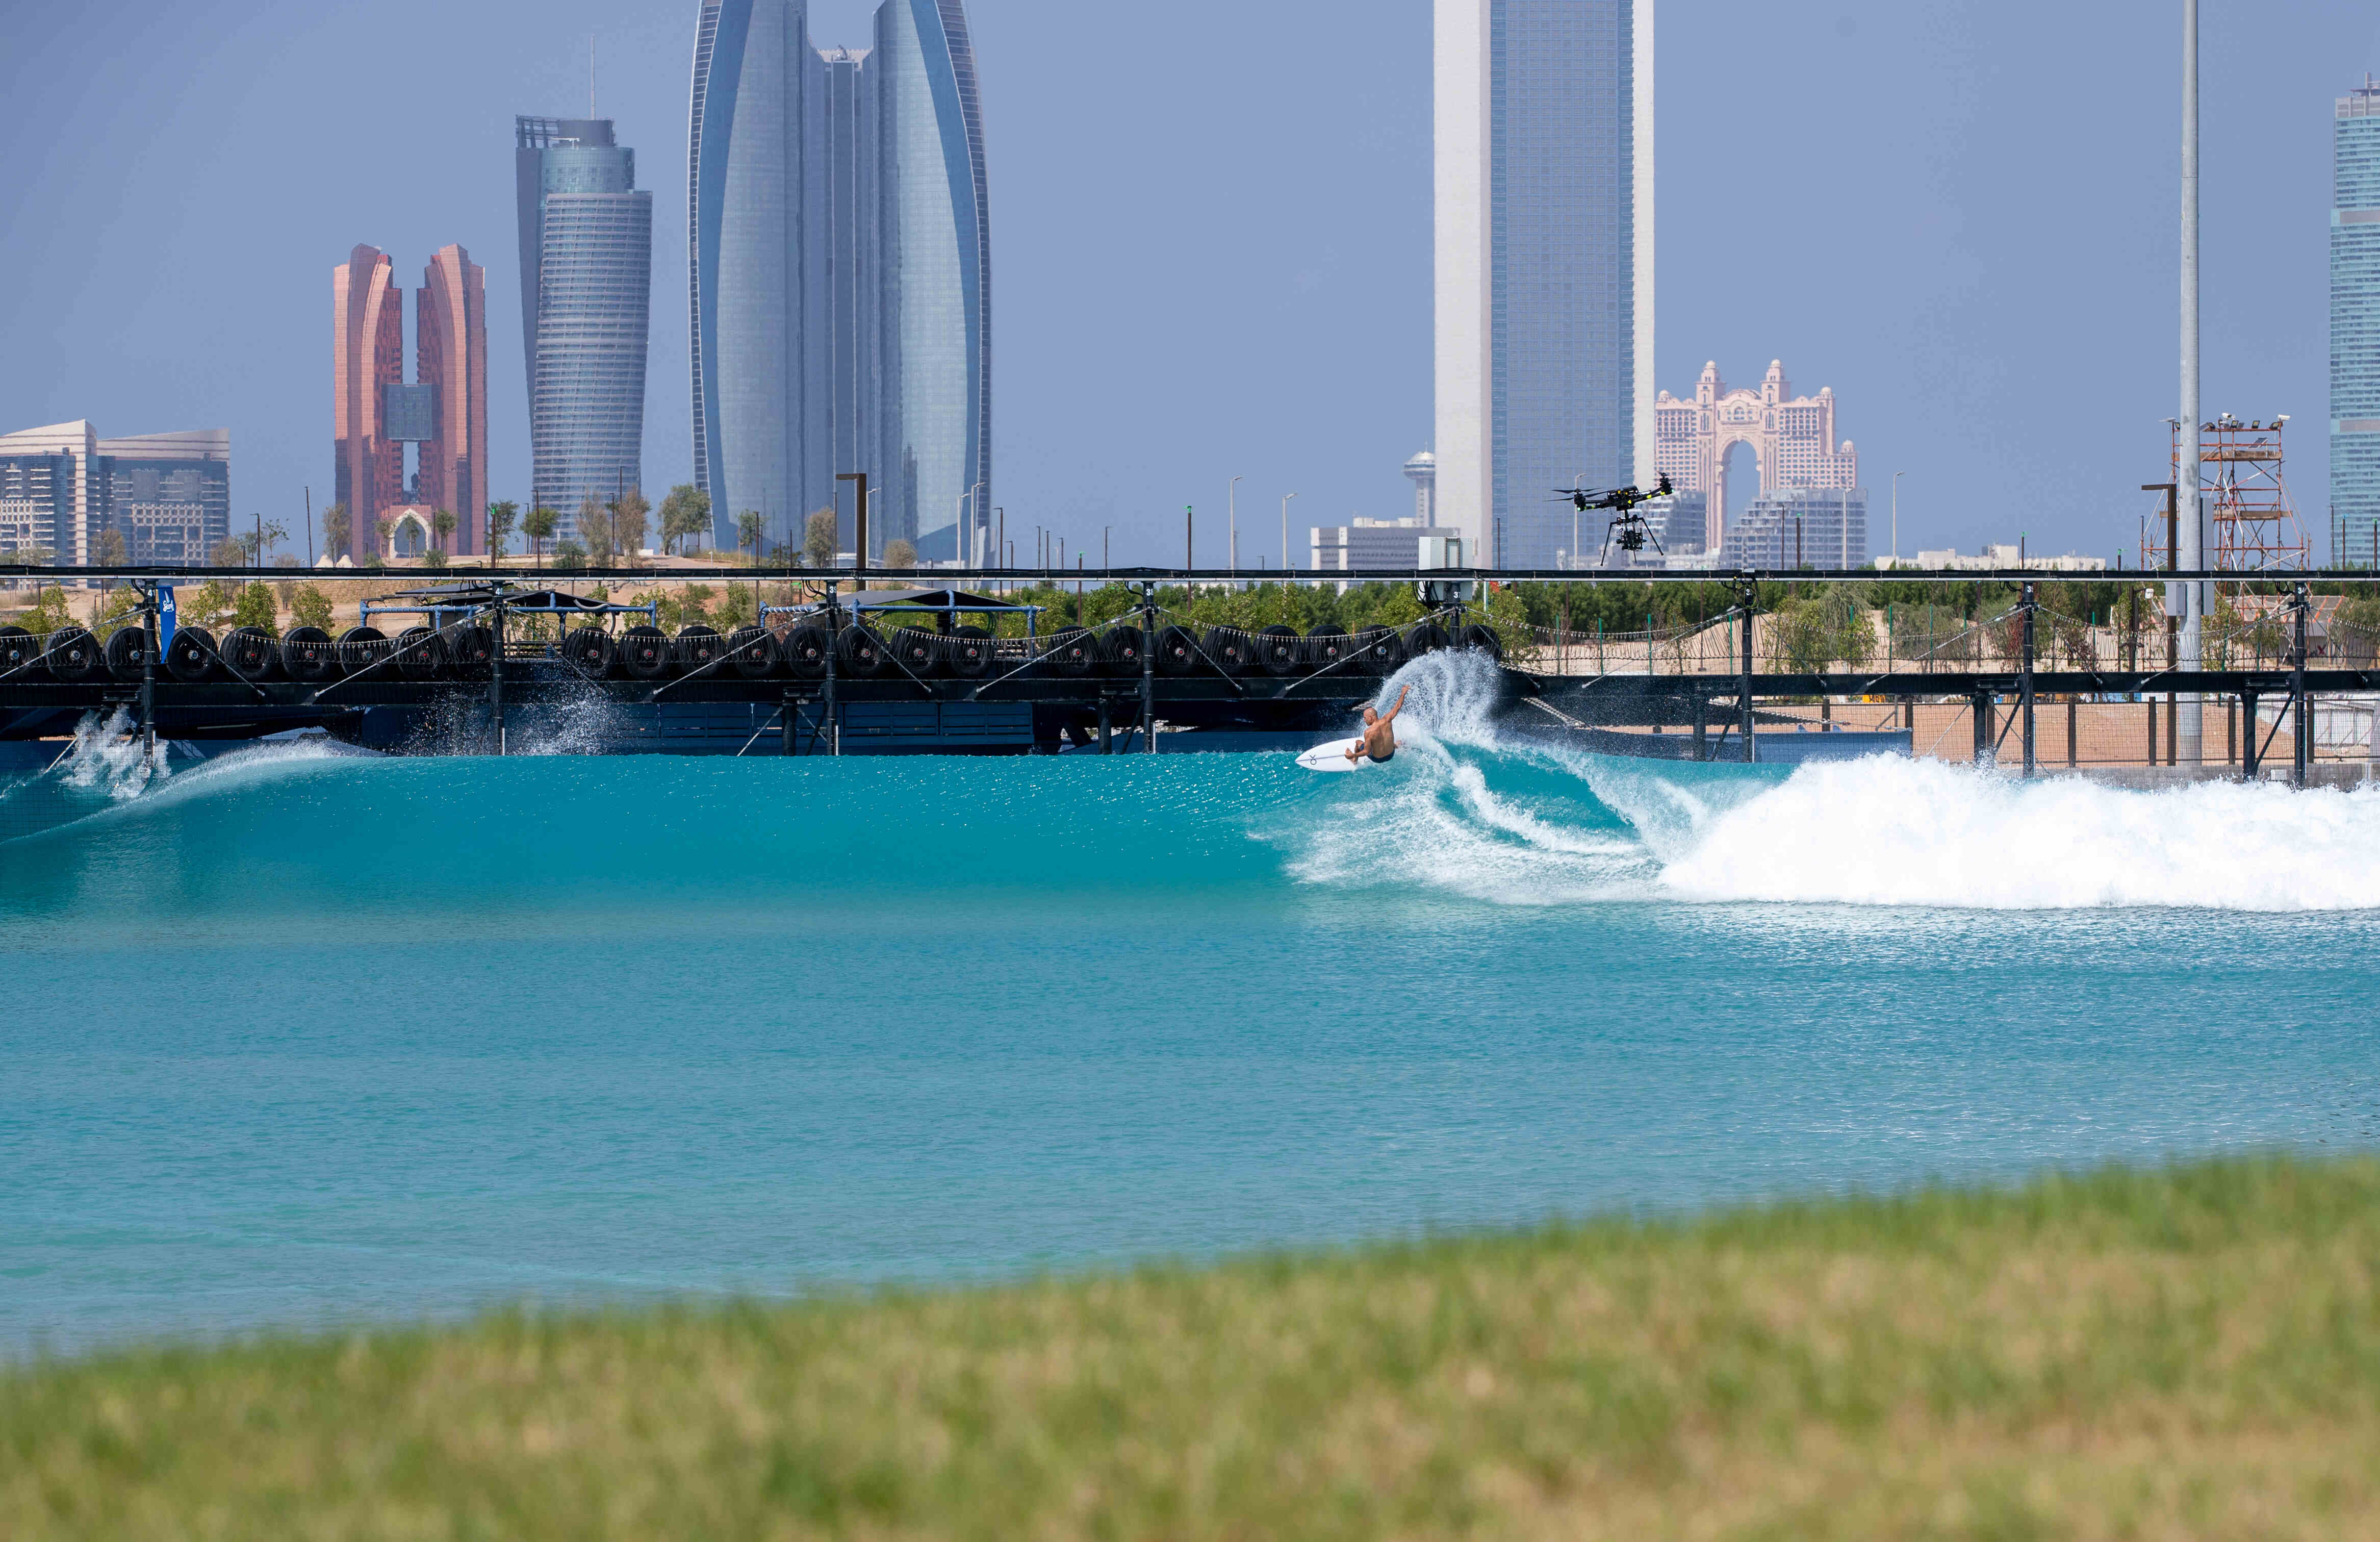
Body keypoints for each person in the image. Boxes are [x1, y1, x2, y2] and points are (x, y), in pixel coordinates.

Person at [1344, 685, 1410, 764]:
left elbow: (1367, 752)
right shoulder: (1387, 720)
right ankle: (1399, 745)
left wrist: (1353, 755)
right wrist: (1403, 693)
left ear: (1371, 717)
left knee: (1358, 742)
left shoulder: (1369, 732)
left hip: (1378, 759)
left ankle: (1354, 760)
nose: (1364, 720)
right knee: (1391, 742)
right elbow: (1398, 706)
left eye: (1365, 718)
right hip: (1391, 755)